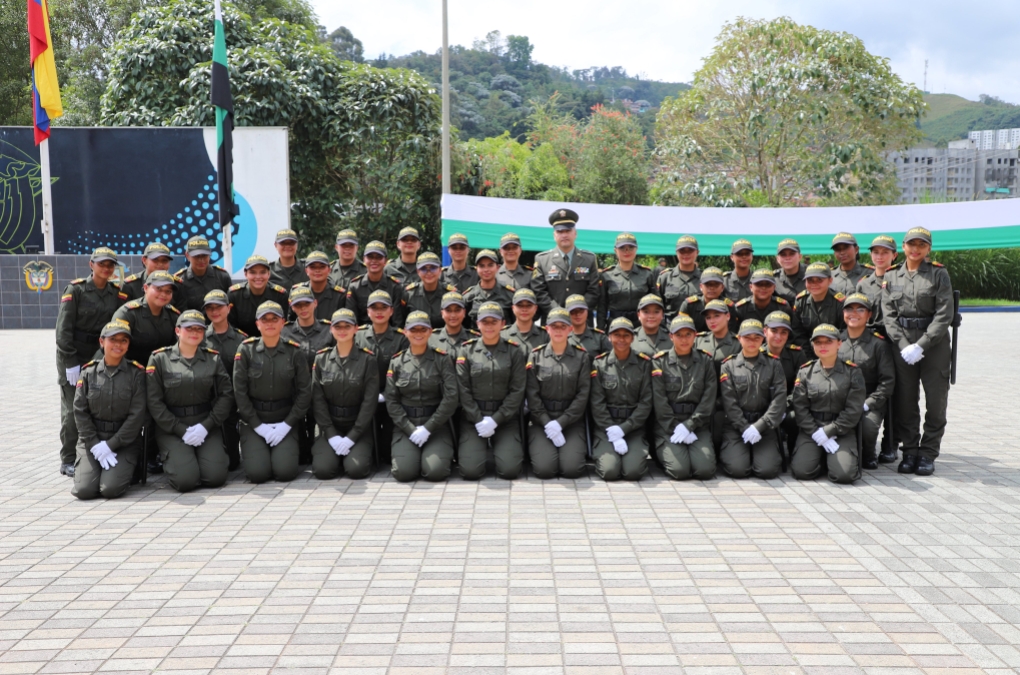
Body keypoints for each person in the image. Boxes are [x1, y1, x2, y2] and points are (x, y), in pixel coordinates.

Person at [881, 227, 954, 477]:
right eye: (911, 244)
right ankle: (910, 450)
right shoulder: (891, 276)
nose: (916, 249)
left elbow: (945, 313)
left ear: (928, 249)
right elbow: (888, 317)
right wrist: (904, 346)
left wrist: (921, 345)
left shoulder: (938, 273)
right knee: (906, 401)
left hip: (934, 345)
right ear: (903, 247)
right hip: (902, 345)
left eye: (921, 245)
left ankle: (928, 453)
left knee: (936, 402)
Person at [55, 246, 126, 477]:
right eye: (102, 264)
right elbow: (63, 331)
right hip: (73, 355)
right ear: (91, 265)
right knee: (72, 409)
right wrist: (70, 362)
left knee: (94, 404)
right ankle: (67, 459)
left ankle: (90, 452)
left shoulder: (116, 293)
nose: (106, 268)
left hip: (99, 354)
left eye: (110, 265)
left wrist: (99, 359)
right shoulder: (75, 290)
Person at [145, 310, 234, 492]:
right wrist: (180, 430)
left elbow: (226, 394)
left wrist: (206, 426)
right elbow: (154, 402)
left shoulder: (212, 358)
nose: (194, 333)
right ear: (177, 331)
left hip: (205, 424)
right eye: (189, 328)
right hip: (172, 427)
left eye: (199, 329)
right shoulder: (159, 359)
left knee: (216, 477)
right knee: (185, 482)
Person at [232, 301, 312, 483]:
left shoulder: (294, 351)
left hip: (285, 419)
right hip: (254, 421)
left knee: (285, 472)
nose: (269, 323)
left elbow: (304, 392)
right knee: (257, 474)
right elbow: (240, 393)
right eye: (264, 319)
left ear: (282, 322)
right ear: (257, 324)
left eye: (274, 319)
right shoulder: (245, 350)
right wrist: (257, 425)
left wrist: (287, 424)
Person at [71, 320, 147, 499]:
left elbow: (137, 415)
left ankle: (127, 470)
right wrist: (95, 444)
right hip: (92, 440)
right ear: (102, 342)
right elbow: (79, 411)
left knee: (110, 489)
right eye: (113, 339)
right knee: (85, 491)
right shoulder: (88, 373)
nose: (118, 345)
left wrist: (111, 445)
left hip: (123, 442)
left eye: (123, 340)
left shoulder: (136, 373)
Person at [455, 302, 527, 480]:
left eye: (493, 322)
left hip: (505, 418)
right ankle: (479, 450)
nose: (489, 326)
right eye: (484, 322)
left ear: (503, 324)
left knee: (509, 471)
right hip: (473, 418)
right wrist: (478, 418)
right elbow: (462, 389)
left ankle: (500, 449)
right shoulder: (467, 350)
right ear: (477, 324)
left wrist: (496, 420)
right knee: (470, 472)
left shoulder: (514, 351)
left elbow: (517, 390)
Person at [386, 310, 460, 481]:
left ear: (430, 331)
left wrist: (428, 428)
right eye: (413, 330)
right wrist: (409, 429)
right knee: (404, 473)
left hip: (436, 425)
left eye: (422, 329)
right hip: (406, 425)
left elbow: (451, 397)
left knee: (435, 472)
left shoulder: (442, 359)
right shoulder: (397, 361)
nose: (418, 334)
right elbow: (391, 399)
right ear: (405, 332)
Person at [790, 324, 866, 483]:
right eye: (818, 342)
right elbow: (800, 407)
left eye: (828, 341)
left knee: (844, 475)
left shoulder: (853, 372)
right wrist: (817, 433)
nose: (823, 346)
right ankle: (823, 461)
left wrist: (829, 431)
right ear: (812, 345)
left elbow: (853, 410)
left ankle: (832, 461)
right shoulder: (805, 371)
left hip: (841, 430)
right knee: (801, 472)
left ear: (839, 343)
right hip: (812, 429)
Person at [310, 308, 379, 480]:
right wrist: (331, 435)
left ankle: (350, 453)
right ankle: (334, 455)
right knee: (323, 471)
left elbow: (369, 402)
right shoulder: (321, 359)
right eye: (337, 327)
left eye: (347, 327)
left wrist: (352, 436)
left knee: (356, 470)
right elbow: (317, 400)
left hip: (358, 426)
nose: (342, 331)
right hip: (330, 426)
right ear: (331, 329)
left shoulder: (368, 360)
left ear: (356, 329)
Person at [525, 308, 592, 479]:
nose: (559, 330)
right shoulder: (536, 356)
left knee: (572, 469)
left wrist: (561, 423)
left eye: (563, 326)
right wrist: (548, 423)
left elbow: (583, 394)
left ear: (570, 329)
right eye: (554, 326)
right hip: (542, 421)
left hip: (571, 420)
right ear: (547, 328)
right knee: (544, 470)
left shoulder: (581, 357)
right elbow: (532, 395)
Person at [717, 319, 787, 479]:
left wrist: (759, 426)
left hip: (765, 426)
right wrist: (744, 427)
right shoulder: (728, 365)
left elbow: (779, 398)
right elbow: (729, 402)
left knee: (766, 471)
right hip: (736, 427)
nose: (752, 341)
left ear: (763, 338)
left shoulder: (774, 364)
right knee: (738, 470)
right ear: (739, 338)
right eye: (747, 337)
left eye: (756, 337)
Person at [651, 314, 718, 481]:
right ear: (671, 336)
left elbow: (709, 398)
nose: (684, 339)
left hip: (697, 423)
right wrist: (675, 426)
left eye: (688, 334)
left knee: (705, 471)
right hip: (668, 425)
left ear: (695, 335)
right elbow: (659, 400)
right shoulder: (660, 361)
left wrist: (690, 424)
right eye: (679, 335)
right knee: (680, 471)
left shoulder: (705, 360)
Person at [589, 317, 653, 481]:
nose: (622, 339)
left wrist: (624, 429)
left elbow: (646, 402)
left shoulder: (644, 363)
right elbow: (597, 403)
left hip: (634, 427)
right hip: (606, 427)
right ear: (609, 337)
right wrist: (612, 429)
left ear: (633, 338)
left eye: (626, 335)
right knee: (610, 472)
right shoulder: (600, 364)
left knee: (633, 472)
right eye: (617, 335)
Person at [838, 293, 896, 469]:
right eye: (849, 309)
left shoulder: (879, 344)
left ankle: (868, 452)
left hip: (869, 400)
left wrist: (867, 403)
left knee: (868, 426)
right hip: (840, 399)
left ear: (869, 315)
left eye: (860, 309)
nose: (854, 313)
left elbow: (887, 381)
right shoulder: (836, 341)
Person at [355, 290, 409, 468]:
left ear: (391, 311)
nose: (379, 312)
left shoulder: (401, 338)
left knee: (388, 450)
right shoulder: (358, 336)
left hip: (392, 400)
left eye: (383, 307)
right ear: (367, 311)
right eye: (374, 308)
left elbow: (404, 371)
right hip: (362, 400)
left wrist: (387, 393)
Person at [281, 285, 334, 463]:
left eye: (306, 304)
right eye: (298, 305)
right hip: (293, 394)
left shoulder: (329, 330)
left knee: (319, 441)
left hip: (323, 393)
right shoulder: (284, 332)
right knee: (298, 453)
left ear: (315, 303)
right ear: (292, 307)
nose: (303, 308)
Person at [201, 289, 247, 470]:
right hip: (206, 405)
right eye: (210, 308)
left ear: (229, 308)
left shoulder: (241, 340)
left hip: (232, 406)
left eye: (219, 307)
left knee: (233, 463)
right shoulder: (200, 338)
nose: (214, 312)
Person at [531, 208, 601, 316]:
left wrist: (577, 311)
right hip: (553, 321)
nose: (564, 235)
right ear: (554, 235)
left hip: (581, 320)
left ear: (575, 233)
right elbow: (539, 292)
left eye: (568, 231)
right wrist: (559, 313)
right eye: (560, 231)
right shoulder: (542, 260)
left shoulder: (589, 259)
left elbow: (594, 291)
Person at [112, 270, 181, 367]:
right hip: (130, 369)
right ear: (145, 288)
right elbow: (114, 348)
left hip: (161, 370)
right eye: (158, 289)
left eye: (168, 291)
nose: (163, 294)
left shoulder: (173, 315)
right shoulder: (127, 314)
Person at [763, 311, 806, 456]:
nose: (778, 336)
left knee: (794, 417)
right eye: (773, 331)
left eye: (784, 332)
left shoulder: (797, 354)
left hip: (787, 405)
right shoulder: (756, 353)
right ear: (765, 331)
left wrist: (784, 405)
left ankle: (794, 452)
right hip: (763, 406)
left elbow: (800, 387)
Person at [600, 232, 656, 327]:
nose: (627, 251)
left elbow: (655, 303)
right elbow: (602, 306)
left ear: (636, 249)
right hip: (615, 326)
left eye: (631, 247)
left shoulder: (647, 274)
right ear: (615, 250)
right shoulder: (607, 275)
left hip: (641, 326)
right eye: (622, 248)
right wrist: (600, 331)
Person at [346, 241, 407, 327]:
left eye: (379, 257)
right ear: (364, 259)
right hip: (361, 336)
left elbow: (397, 320)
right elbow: (351, 320)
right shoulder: (355, 286)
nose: (374, 261)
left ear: (385, 260)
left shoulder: (394, 286)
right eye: (370, 257)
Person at [228, 255, 288, 337]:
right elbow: (231, 326)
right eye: (253, 272)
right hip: (242, 342)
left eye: (263, 272)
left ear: (269, 274)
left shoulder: (280, 294)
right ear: (245, 274)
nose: (258, 277)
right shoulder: (234, 294)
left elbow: (284, 325)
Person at [173, 236, 232, 311]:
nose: (201, 260)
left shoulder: (222, 277)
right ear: (187, 255)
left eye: (204, 255)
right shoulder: (179, 281)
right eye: (196, 256)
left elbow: (230, 306)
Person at [793, 262, 846, 345]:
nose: (814, 284)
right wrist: (808, 354)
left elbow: (845, 331)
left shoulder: (840, 302)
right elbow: (798, 332)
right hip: (808, 350)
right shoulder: (800, 301)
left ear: (830, 281)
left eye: (819, 280)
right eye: (810, 280)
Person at [733, 269, 798, 335]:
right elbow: (734, 334)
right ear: (751, 287)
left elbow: (791, 332)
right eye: (759, 284)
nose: (763, 288)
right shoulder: (740, 308)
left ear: (774, 288)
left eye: (768, 285)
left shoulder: (783, 307)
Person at [464, 250, 516, 327]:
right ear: (476, 268)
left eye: (490, 265)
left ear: (497, 267)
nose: (486, 269)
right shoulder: (468, 296)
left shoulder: (510, 295)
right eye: (482, 266)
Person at [857, 235, 898, 332]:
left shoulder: (902, 280)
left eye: (885, 252)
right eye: (876, 252)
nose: (879, 257)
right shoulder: (863, 285)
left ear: (894, 255)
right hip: (872, 337)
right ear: (871, 255)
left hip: (898, 336)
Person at [405, 252, 455, 328]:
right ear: (418, 272)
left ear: (440, 270)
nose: (429, 273)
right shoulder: (408, 294)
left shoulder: (451, 294)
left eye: (433, 268)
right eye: (423, 269)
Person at [657, 235, 702, 320]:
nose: (686, 254)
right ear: (676, 252)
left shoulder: (704, 278)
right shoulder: (665, 277)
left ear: (697, 252)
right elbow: (657, 307)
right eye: (682, 251)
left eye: (690, 250)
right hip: (671, 330)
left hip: (697, 330)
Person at [678, 267, 732, 333]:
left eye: (716, 285)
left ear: (722, 287)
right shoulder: (689, 305)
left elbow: (732, 332)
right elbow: (683, 331)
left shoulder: (729, 307)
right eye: (708, 284)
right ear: (701, 287)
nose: (712, 288)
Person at [295, 251, 346, 320]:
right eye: (313, 267)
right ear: (306, 271)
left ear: (329, 270)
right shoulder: (296, 292)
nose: (317, 270)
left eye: (322, 267)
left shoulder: (339, 295)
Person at [428, 291, 478, 355]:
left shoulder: (475, 339)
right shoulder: (431, 339)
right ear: (442, 313)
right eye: (448, 310)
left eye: (457, 310)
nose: (453, 315)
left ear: (464, 312)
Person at [502, 288, 549, 353]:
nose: (524, 309)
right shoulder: (502, 335)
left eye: (529, 305)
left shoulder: (546, 336)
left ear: (535, 308)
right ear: (513, 308)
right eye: (520, 305)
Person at [566, 294, 610, 360]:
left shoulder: (600, 338)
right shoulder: (562, 337)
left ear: (587, 311)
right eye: (573, 311)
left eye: (581, 310)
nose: (578, 314)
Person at [831, 232, 870, 297]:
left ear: (856, 249)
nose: (842, 252)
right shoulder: (829, 276)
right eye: (838, 249)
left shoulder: (869, 274)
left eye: (846, 248)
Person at [773, 239, 807, 304]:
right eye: (783, 255)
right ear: (777, 259)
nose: (787, 258)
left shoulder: (811, 274)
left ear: (800, 257)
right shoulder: (773, 279)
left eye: (792, 254)